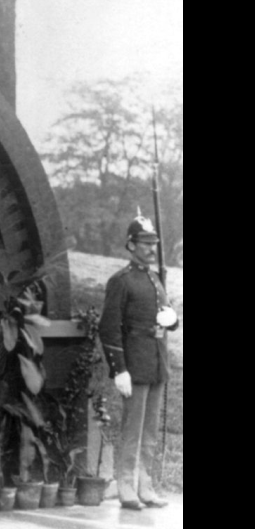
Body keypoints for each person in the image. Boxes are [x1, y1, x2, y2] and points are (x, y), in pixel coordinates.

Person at [99, 214, 179, 510]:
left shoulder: (154, 278)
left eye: (153, 243)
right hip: (134, 364)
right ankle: (126, 486)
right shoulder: (121, 281)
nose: (150, 249)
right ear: (130, 245)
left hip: (156, 364)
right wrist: (119, 369)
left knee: (150, 432)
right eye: (144, 243)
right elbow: (108, 327)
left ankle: (145, 485)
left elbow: (166, 314)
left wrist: (173, 321)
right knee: (132, 430)